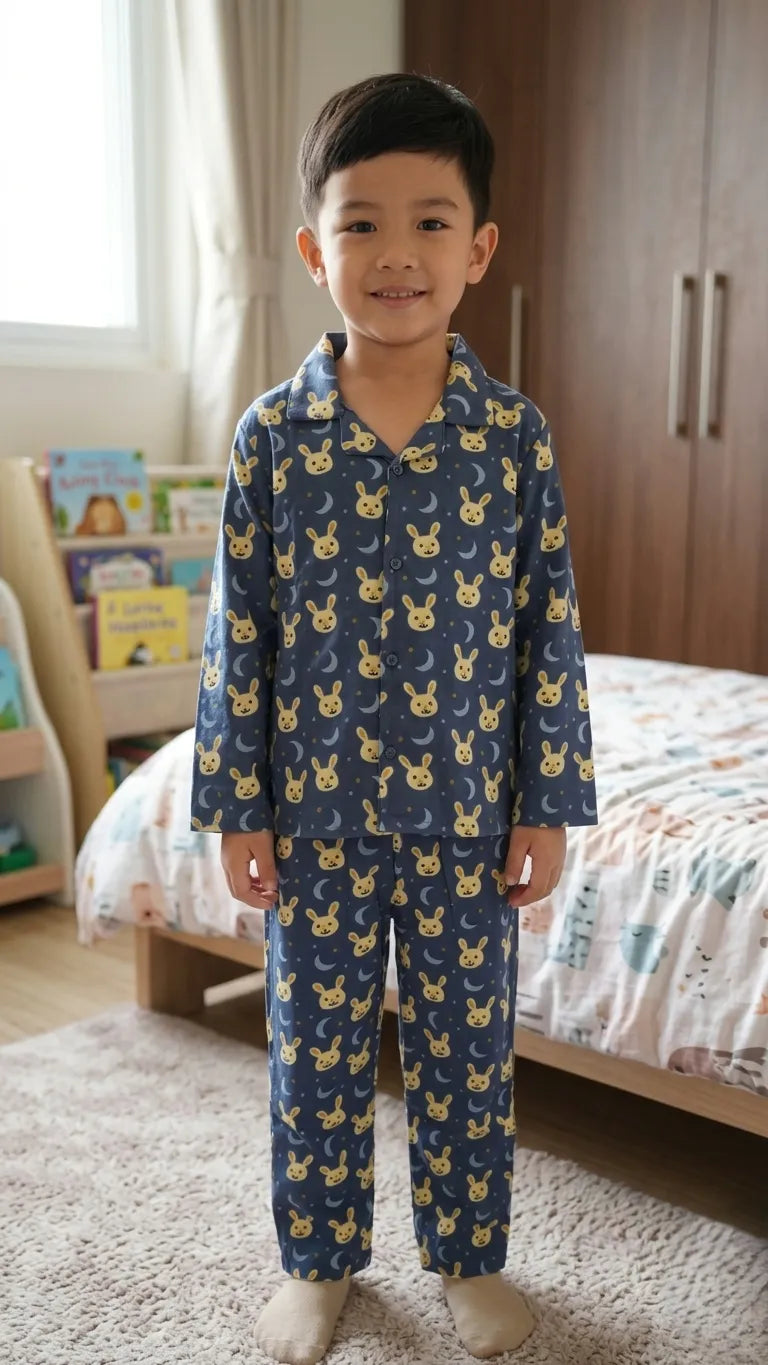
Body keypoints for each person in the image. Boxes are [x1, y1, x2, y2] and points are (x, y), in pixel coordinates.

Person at [191, 72, 599, 1365]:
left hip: (467, 822)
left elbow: (550, 630)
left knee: (466, 1052)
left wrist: (547, 798)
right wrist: (236, 803)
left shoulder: (511, 441)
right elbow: (234, 635)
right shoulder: (272, 442)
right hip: (312, 825)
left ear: (477, 250)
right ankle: (318, 1262)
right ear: (314, 250)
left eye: (431, 222)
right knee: (311, 1047)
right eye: (361, 223)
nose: (396, 254)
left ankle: (469, 1255)